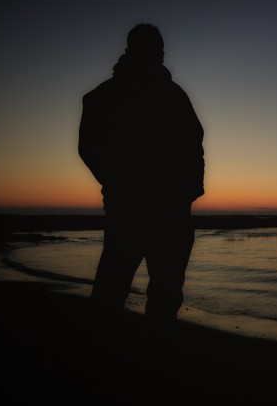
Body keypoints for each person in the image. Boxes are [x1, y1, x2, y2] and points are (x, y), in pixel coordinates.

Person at [78, 23, 205, 325]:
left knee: (165, 297)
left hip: (172, 213)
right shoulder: (105, 96)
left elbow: (195, 143)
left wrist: (189, 191)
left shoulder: (175, 96)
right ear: (134, 50)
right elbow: (89, 148)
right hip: (129, 211)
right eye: (153, 49)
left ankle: (157, 357)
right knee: (111, 292)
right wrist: (119, 183)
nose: (159, 55)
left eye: (160, 49)